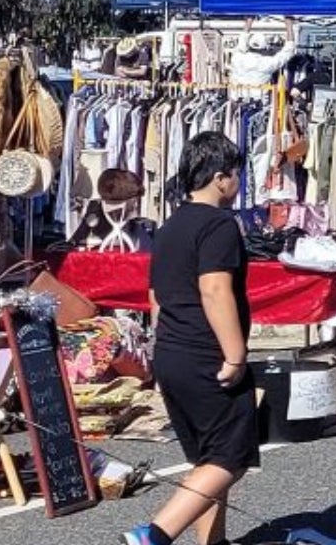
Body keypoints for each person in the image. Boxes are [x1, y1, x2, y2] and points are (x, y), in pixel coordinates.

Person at [127, 132, 254, 545]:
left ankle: (211, 542)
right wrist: (235, 354)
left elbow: (156, 296)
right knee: (228, 456)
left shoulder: (169, 227)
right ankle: (154, 535)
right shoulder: (219, 225)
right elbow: (214, 289)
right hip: (206, 353)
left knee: (205, 456)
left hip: (172, 350)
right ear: (221, 178)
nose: (239, 184)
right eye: (237, 175)